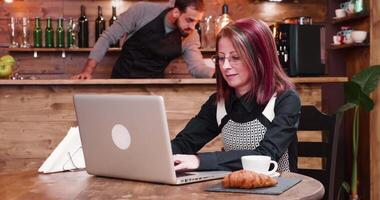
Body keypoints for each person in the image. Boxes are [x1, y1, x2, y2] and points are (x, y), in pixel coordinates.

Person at [171, 18, 301, 172]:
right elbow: (185, 142)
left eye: (236, 57)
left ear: (260, 58)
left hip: (279, 191)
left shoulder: (285, 99)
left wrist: (199, 161)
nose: (225, 66)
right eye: (221, 58)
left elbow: (266, 156)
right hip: (232, 190)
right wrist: (160, 154)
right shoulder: (219, 102)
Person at [72, 0, 214, 79]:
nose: (192, 27)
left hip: (154, 87)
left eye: (196, 22)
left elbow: (197, 67)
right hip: (122, 80)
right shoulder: (142, 11)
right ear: (176, 12)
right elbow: (107, 37)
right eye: (189, 20)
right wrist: (87, 72)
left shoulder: (191, 35)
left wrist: (215, 74)